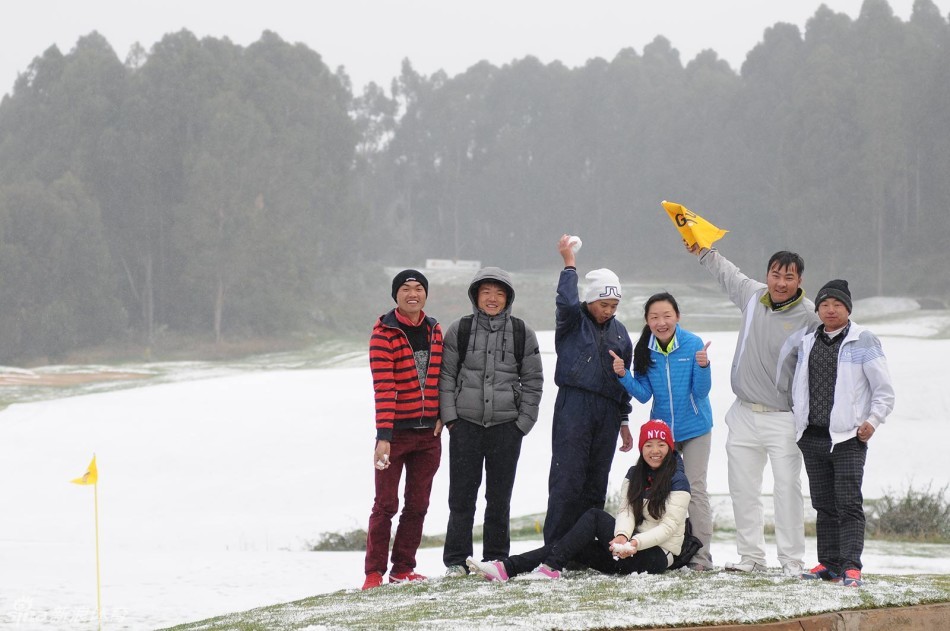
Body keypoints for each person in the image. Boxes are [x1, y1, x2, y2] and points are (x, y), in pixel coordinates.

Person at [686, 243, 819, 576]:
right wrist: (703, 251)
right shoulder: (752, 295)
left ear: (799, 279)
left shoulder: (809, 314)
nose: (781, 282)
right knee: (743, 488)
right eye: (776, 275)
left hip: (783, 418)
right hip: (743, 412)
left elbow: (832, 345)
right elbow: (727, 272)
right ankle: (752, 558)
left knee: (787, 489)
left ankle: (791, 562)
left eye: (789, 277)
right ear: (768, 275)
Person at [467, 419, 690, 580]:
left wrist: (634, 544)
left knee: (594, 516)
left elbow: (669, 528)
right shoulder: (635, 475)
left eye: (661, 445)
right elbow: (626, 512)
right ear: (642, 449)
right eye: (649, 445)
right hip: (629, 548)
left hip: (657, 555)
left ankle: (550, 569)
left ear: (669, 448)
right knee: (569, 545)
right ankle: (507, 568)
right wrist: (622, 535)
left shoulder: (678, 480)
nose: (655, 451)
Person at [439, 267, 545, 577]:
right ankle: (457, 562)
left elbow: (534, 380)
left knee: (499, 499)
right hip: (465, 425)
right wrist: (451, 419)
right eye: (486, 292)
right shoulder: (459, 329)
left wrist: (523, 423)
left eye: (499, 293)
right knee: (461, 498)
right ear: (475, 295)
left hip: (506, 428)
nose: (492, 298)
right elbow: (446, 377)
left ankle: (496, 560)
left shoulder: (522, 332)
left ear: (508, 298)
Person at [792, 280, 895, 587]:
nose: (831, 310)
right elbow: (799, 383)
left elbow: (884, 390)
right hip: (813, 434)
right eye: (824, 305)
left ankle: (851, 566)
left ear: (848, 308)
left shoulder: (864, 339)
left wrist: (873, 421)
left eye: (837, 305)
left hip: (849, 436)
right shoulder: (809, 339)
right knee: (823, 504)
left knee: (848, 503)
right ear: (818, 309)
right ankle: (829, 562)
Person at [609, 292, 715, 570]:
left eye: (667, 315)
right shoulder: (645, 349)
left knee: (695, 490)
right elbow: (643, 395)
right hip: (662, 433)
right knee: (656, 491)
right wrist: (623, 376)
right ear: (647, 320)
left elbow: (701, 392)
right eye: (654, 317)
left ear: (677, 316)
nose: (661, 322)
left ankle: (701, 559)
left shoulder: (692, 344)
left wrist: (704, 366)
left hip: (695, 428)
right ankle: (661, 550)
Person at [544, 234, 634, 545]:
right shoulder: (571, 319)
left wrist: (624, 422)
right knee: (567, 479)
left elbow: (625, 383)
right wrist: (570, 264)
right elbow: (567, 300)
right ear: (590, 300)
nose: (609, 310)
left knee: (596, 482)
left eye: (614, 305)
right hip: (574, 404)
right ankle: (555, 549)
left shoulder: (621, 334)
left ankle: (586, 547)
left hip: (607, 411)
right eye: (603, 304)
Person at [362, 269, 444, 590]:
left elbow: (444, 378)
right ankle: (373, 572)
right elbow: (384, 387)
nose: (413, 293)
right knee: (385, 505)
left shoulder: (436, 329)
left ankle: (403, 568)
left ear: (426, 294)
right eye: (406, 288)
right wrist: (383, 437)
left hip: (429, 436)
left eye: (419, 288)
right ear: (396, 295)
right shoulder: (384, 333)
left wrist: (444, 416)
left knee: (418, 504)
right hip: (394, 435)